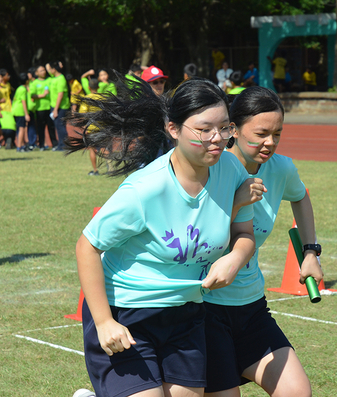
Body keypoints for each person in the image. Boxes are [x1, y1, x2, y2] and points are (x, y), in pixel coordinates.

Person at [65, 76, 259, 397]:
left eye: (225, 128)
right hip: (127, 314)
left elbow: (243, 233)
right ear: (173, 129)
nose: (218, 138)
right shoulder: (144, 189)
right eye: (204, 129)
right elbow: (87, 246)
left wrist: (235, 260)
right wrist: (103, 322)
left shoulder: (232, 170)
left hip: (186, 313)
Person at [203, 86, 322, 397]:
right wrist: (237, 203)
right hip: (203, 309)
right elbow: (199, 235)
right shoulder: (209, 169)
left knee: (297, 392)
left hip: (251, 306)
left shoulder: (280, 168)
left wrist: (311, 252)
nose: (270, 142)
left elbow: (301, 196)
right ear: (233, 130)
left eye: (277, 134)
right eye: (261, 133)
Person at [30, 64, 57, 150]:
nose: (43, 72)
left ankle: (55, 144)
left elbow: (54, 73)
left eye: (44, 70)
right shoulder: (34, 83)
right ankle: (41, 145)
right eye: (41, 70)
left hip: (49, 107)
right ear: (36, 73)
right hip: (39, 109)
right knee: (40, 128)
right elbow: (32, 95)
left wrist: (49, 67)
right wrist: (42, 95)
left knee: (51, 126)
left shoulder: (50, 80)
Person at [46, 61, 71, 151]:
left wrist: (56, 109)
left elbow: (60, 95)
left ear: (54, 69)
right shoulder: (53, 78)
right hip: (54, 106)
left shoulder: (61, 79)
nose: (49, 70)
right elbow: (48, 67)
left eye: (50, 69)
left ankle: (64, 145)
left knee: (60, 126)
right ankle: (61, 145)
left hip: (61, 107)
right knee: (58, 126)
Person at [12, 72, 31, 152]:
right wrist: (26, 114)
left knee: (20, 128)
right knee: (22, 129)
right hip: (20, 111)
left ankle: (22, 145)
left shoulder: (19, 88)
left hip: (15, 110)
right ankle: (19, 147)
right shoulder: (23, 89)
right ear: (27, 81)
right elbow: (23, 101)